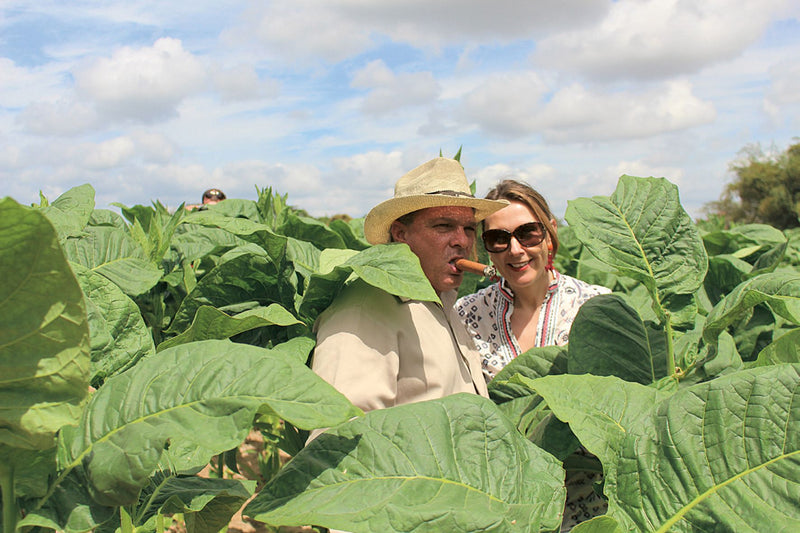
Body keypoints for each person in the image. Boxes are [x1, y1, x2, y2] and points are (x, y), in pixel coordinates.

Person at [455, 179, 610, 531]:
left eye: (529, 233)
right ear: (487, 249)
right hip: (503, 510)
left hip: (590, 511)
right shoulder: (467, 315)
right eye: (499, 238)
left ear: (551, 232)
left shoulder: (596, 307)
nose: (515, 250)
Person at [309, 157, 508, 415]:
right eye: (444, 226)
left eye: (469, 228)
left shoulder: (443, 299)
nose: (462, 241)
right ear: (400, 234)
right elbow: (338, 433)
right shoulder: (365, 308)